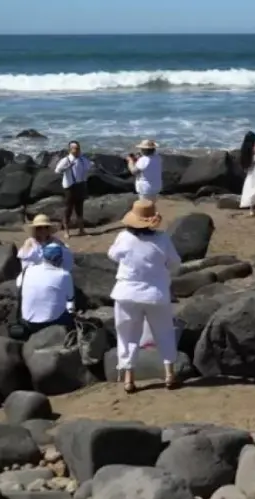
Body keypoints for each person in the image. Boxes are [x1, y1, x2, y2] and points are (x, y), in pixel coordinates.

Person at [107, 200, 182, 393]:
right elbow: (175, 263)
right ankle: (169, 374)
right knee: (164, 332)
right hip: (156, 293)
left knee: (127, 336)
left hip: (126, 292)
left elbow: (112, 255)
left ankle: (129, 379)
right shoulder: (162, 238)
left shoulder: (124, 237)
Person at [17, 243, 75, 338]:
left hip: (27, 322)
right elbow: (70, 300)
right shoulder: (64, 275)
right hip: (52, 323)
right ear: (60, 259)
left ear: (43, 256)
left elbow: (18, 284)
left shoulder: (28, 270)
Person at [54, 140, 91, 238]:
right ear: (70, 149)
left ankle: (81, 230)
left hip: (81, 185)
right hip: (70, 187)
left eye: (78, 148)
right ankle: (66, 231)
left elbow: (89, 166)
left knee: (80, 208)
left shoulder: (83, 159)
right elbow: (57, 170)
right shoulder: (66, 159)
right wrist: (66, 167)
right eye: (75, 148)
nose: (78, 150)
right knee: (68, 210)